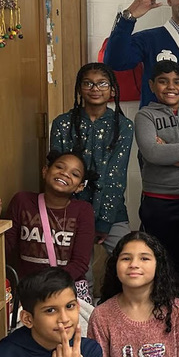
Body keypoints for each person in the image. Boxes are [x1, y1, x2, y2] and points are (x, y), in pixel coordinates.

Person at [135, 60, 179, 306]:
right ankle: (157, 314)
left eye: (177, 82)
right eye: (163, 81)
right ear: (152, 85)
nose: (171, 87)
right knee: (157, 263)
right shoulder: (145, 115)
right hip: (159, 203)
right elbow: (152, 154)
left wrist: (174, 157)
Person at [50, 63, 134, 254]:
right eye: (88, 84)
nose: (95, 89)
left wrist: (103, 222)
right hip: (70, 210)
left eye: (102, 84)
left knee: (128, 256)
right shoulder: (62, 123)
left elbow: (115, 177)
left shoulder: (124, 126)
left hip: (112, 210)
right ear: (79, 88)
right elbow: (58, 173)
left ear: (112, 89)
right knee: (80, 271)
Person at [0, 150, 95, 286]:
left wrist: (49, 286)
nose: (65, 173)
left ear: (80, 187)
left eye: (74, 174)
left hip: (63, 289)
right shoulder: (22, 201)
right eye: (59, 167)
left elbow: (80, 263)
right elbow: (7, 252)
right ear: (45, 171)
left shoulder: (83, 210)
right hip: (27, 290)